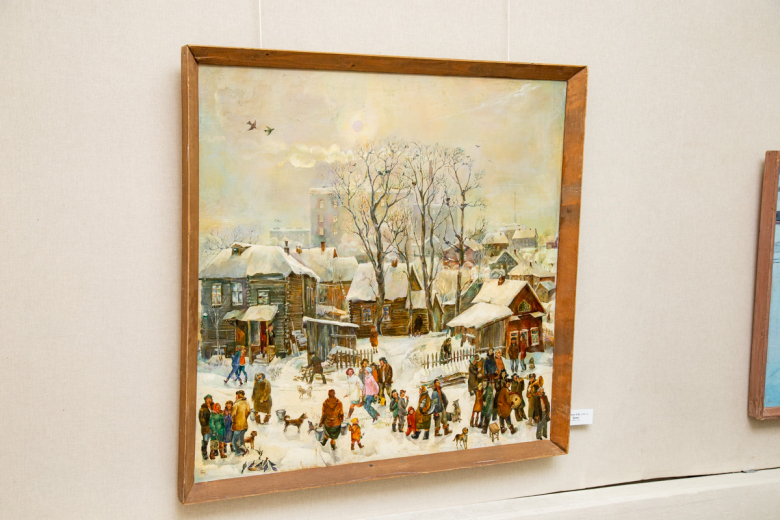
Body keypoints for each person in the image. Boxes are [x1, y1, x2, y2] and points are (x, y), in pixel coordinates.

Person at [231, 390, 251, 455]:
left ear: (239, 396)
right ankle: (243, 451)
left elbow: (233, 415)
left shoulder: (236, 404)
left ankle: (238, 452)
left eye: (236, 396)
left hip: (238, 426)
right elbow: (249, 411)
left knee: (234, 441)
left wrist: (234, 421)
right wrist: (244, 418)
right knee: (241, 440)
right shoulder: (246, 402)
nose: (235, 398)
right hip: (244, 425)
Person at [198, 395, 213, 460]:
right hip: (206, 427)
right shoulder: (203, 408)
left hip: (213, 427)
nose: (209, 400)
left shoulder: (214, 407)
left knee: (213, 440)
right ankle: (204, 453)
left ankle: (212, 453)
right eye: (207, 399)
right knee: (205, 440)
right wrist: (205, 425)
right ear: (205, 400)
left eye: (210, 399)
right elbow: (201, 418)